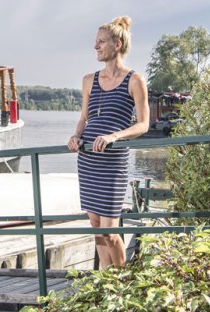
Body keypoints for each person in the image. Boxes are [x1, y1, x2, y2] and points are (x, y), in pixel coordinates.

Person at [67, 16, 149, 268]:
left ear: (118, 43)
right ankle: (105, 278)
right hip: (89, 159)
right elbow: (84, 118)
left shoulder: (135, 80)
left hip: (113, 162)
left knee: (110, 233)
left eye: (101, 42)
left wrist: (115, 136)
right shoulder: (88, 80)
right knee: (95, 226)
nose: (96, 47)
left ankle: (123, 278)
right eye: (96, 42)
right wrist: (75, 135)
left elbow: (143, 124)